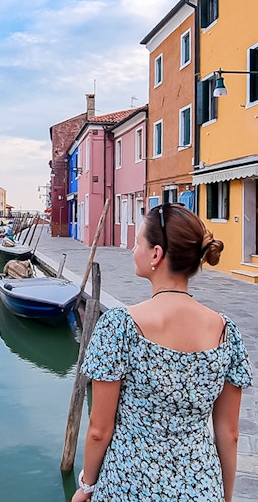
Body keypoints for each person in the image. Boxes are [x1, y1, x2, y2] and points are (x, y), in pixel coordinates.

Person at [72, 203, 253, 502]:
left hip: (128, 485)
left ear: (156, 254)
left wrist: (87, 486)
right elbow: (229, 433)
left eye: (138, 241)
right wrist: (225, 496)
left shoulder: (120, 326)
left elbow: (98, 430)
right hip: (201, 487)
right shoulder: (226, 331)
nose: (132, 248)